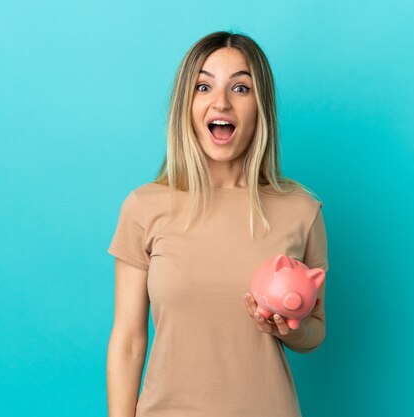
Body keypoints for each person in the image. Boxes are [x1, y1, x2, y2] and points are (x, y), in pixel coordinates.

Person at [106, 31, 329, 417]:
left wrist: (288, 329)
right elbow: (127, 341)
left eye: (241, 88)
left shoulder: (302, 210)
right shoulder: (144, 207)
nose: (221, 101)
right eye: (203, 86)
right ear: (185, 103)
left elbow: (316, 331)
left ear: (261, 106)